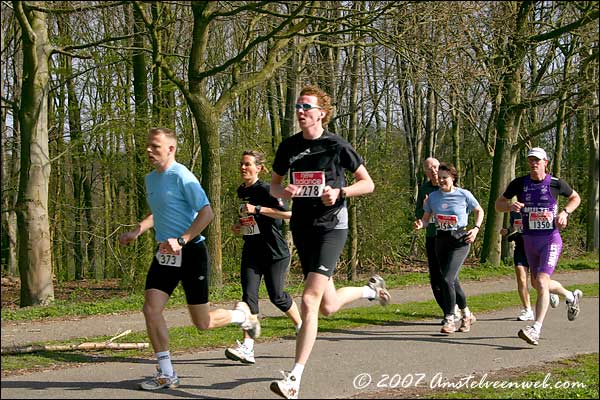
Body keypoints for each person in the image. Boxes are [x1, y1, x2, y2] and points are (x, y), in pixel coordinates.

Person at [268, 85, 391, 399]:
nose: (300, 111)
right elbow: (274, 187)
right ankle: (370, 290)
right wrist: (286, 194)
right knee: (329, 305)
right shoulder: (289, 147)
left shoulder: (336, 145)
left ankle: (294, 379)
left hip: (332, 227)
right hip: (302, 227)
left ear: (321, 113)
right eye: (298, 106)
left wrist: (340, 193)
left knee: (308, 300)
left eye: (306, 106)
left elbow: (368, 183)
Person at [119, 127, 260, 390]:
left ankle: (242, 316)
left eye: (155, 147)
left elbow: (207, 213)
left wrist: (183, 239)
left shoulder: (182, 176)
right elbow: (160, 212)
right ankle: (167, 373)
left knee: (202, 323)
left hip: (191, 251)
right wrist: (137, 230)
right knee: (151, 308)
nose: (149, 150)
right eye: (148, 145)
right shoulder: (151, 179)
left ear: (171, 149)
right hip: (165, 254)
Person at [496, 147, 582, 346]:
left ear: (546, 162)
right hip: (529, 240)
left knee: (542, 281)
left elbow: (575, 197)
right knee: (536, 284)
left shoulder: (555, 183)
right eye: (531, 160)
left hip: (550, 239)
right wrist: (509, 206)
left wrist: (565, 213)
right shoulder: (519, 183)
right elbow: (498, 204)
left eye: (537, 160)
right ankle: (570, 296)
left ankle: (535, 328)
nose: (534, 163)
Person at [225, 150, 302, 365]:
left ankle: (301, 326)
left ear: (258, 168)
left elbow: (289, 214)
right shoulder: (241, 191)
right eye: (241, 163)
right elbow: (250, 219)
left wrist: (258, 209)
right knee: (248, 297)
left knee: (277, 296)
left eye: (247, 164)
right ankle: (248, 348)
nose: (243, 167)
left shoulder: (268, 189)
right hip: (251, 251)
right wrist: (240, 226)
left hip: (275, 252)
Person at [414, 162, 483, 335]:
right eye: (439, 178)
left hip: (460, 239)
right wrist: (420, 224)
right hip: (441, 239)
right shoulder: (432, 197)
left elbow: (479, 210)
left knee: (446, 279)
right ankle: (467, 314)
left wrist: (475, 229)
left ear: (453, 178)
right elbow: (426, 218)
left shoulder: (464, 194)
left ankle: (450, 318)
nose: (441, 180)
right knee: (451, 280)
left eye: (445, 177)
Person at [415, 157, 461, 323]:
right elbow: (419, 214)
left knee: (449, 276)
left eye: (435, 167)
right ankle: (448, 311)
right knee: (435, 279)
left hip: (451, 237)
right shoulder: (425, 190)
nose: (433, 171)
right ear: (426, 172)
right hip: (433, 237)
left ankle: (459, 308)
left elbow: (463, 211)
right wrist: (423, 216)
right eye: (429, 169)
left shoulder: (454, 189)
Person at [500, 212, 560, 321]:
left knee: (535, 282)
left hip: (534, 248)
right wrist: (508, 231)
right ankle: (527, 310)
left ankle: (549, 290)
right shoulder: (514, 212)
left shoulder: (536, 208)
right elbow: (514, 227)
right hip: (520, 249)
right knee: (521, 279)